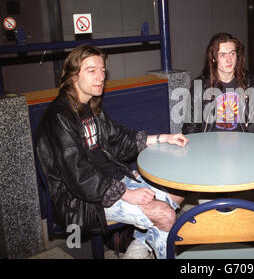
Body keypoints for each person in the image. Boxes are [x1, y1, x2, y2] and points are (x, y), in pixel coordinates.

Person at [35, 45, 189, 259]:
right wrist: (127, 193)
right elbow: (80, 176)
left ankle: (138, 247)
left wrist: (164, 138)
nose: (100, 77)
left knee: (178, 189)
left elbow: (120, 140)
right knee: (165, 214)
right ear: (72, 76)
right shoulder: (60, 117)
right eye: (91, 71)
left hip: (112, 180)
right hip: (83, 199)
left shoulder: (90, 106)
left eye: (102, 70)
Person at [182, 32, 254, 134]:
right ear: (213, 58)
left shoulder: (250, 83)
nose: (229, 60)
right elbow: (190, 128)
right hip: (210, 145)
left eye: (232, 53)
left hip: (245, 143)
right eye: (222, 55)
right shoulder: (200, 86)